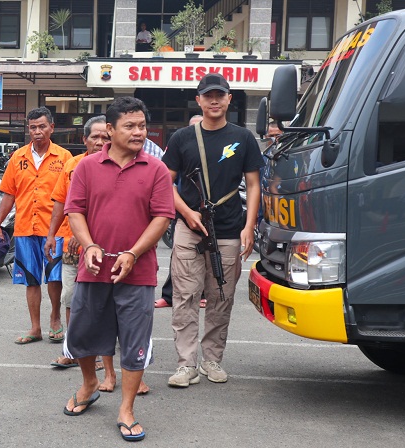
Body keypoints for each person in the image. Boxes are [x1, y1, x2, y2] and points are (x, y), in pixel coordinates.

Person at [61, 97, 174, 442]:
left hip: (138, 272)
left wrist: (134, 253)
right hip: (93, 267)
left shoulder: (156, 169)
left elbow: (162, 217)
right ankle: (89, 384)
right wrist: (89, 245)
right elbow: (75, 210)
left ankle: (126, 408)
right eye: (130, 126)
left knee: (135, 341)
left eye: (142, 126)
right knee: (82, 333)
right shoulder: (87, 167)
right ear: (110, 130)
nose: (139, 132)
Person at [162, 73, 263, 387]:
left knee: (221, 296)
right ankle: (186, 364)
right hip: (189, 228)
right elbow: (164, 182)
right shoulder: (182, 138)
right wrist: (186, 212)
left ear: (229, 99)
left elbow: (253, 184)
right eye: (208, 96)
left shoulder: (243, 138)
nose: (215, 101)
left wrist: (249, 227)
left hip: (230, 228)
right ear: (199, 100)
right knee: (185, 296)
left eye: (220, 95)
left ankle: (212, 359)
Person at [0, 107, 71, 345]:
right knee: (30, 278)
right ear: (28, 129)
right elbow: (9, 194)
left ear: (51, 128)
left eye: (42, 126)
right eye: (33, 127)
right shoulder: (18, 158)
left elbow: (72, 195)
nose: (37, 131)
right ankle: (35, 328)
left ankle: (55, 319)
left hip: (56, 230)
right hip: (26, 228)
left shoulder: (64, 158)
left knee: (55, 278)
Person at [44, 115, 109, 369]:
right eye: (95, 137)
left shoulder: (117, 166)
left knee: (101, 303)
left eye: (105, 137)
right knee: (72, 299)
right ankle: (72, 350)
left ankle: (101, 355)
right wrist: (52, 235)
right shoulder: (72, 165)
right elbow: (61, 202)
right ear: (85, 139)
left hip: (104, 248)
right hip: (71, 247)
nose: (100, 142)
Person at [155, 114, 204, 309]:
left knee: (208, 257)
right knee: (178, 257)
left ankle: (201, 294)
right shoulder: (181, 143)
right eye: (193, 126)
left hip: (212, 212)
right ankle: (168, 296)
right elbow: (167, 178)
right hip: (183, 208)